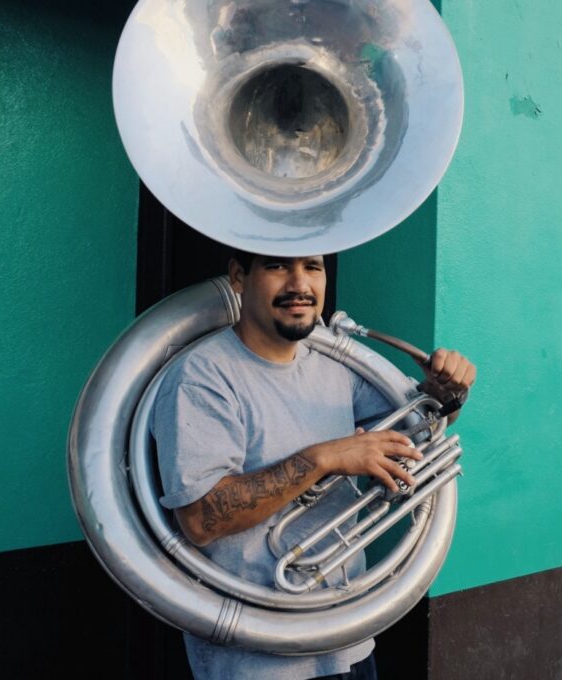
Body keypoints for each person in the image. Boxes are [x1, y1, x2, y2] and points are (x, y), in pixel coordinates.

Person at [150, 250, 475, 680]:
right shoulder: (202, 377)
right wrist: (323, 458)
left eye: (313, 267)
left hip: (347, 641)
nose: (299, 285)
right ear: (238, 277)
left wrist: (444, 395)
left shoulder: (335, 364)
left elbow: (415, 430)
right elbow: (200, 518)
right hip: (257, 660)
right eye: (278, 265)